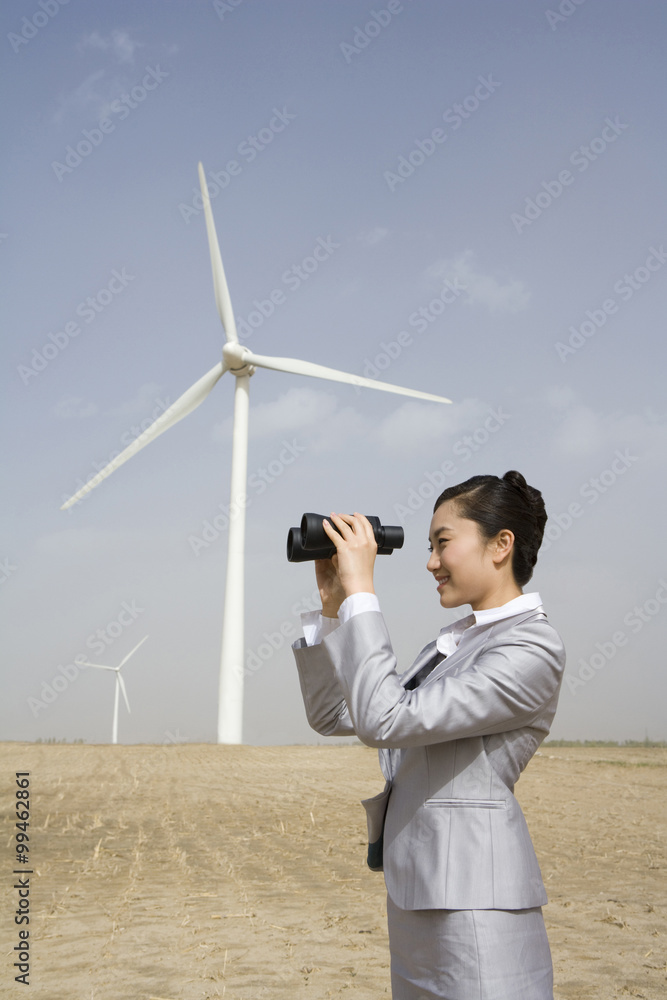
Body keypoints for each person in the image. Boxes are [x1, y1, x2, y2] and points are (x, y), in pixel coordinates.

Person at [291, 470, 566, 1000]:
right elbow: (333, 714)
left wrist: (363, 596)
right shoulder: (454, 648)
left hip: (478, 909)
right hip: (418, 901)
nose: (430, 562)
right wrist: (333, 606)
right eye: (428, 546)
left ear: (500, 545)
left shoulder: (532, 647)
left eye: (443, 543)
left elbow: (384, 720)